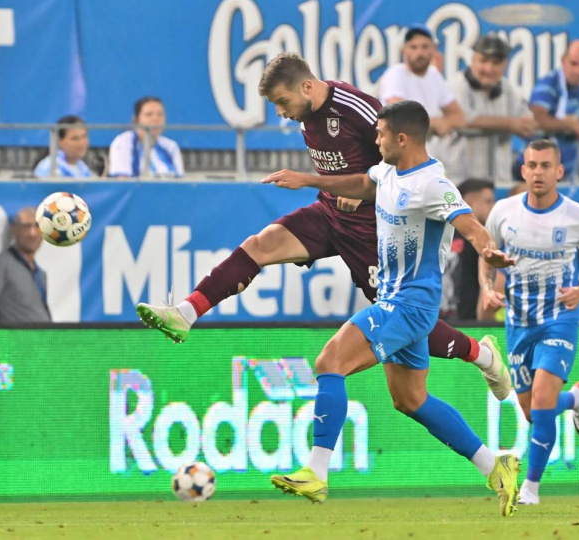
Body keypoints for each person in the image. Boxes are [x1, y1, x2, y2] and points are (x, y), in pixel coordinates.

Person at [136, 53, 511, 398]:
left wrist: (368, 193)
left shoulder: (355, 107)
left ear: (306, 86)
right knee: (261, 243)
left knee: (407, 321)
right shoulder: (305, 116)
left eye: (282, 102)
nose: (281, 112)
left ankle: (481, 354)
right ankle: (186, 313)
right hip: (329, 215)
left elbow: (404, 160)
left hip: (373, 231)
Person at [264, 100, 521, 516]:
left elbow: (470, 225)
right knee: (411, 400)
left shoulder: (433, 185)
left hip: (410, 304)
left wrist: (488, 251)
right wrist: (307, 180)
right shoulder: (385, 172)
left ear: (402, 138)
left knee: (330, 362)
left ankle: (316, 471)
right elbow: (360, 184)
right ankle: (495, 466)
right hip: (394, 300)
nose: (375, 139)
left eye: (380, 134)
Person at [480, 139, 579, 505]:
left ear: (559, 171)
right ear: (523, 170)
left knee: (542, 402)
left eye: (545, 166)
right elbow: (486, 254)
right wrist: (487, 288)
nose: (538, 172)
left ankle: (531, 489)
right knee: (532, 412)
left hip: (560, 318)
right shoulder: (503, 212)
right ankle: (575, 399)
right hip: (518, 321)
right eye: (532, 165)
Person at [379, 24, 465, 177]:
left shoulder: (434, 75)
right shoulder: (396, 74)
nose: (419, 52)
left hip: (428, 158)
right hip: (399, 158)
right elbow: (398, 115)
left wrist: (439, 123)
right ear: (404, 51)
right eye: (413, 47)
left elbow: (459, 118)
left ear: (433, 50)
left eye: (425, 47)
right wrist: (436, 123)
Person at [451, 35, 536, 183]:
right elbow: (462, 118)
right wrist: (509, 124)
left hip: (498, 180)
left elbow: (527, 121)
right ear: (473, 60)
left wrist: (525, 124)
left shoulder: (507, 87)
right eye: (483, 61)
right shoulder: (458, 84)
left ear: (505, 65)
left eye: (496, 63)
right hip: (459, 182)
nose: (489, 68)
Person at [521, 40, 579, 182]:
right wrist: (571, 125)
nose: (578, 71)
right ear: (563, 60)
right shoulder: (549, 84)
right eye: (573, 64)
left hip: (566, 172)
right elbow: (537, 118)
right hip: (538, 173)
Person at [0, 207, 51, 323]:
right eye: (26, 226)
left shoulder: (40, 274)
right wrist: (0, 335)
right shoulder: (0, 264)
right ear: (14, 229)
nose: (32, 233)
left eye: (37, 227)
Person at [449, 178, 504, 321]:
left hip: (470, 322)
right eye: (488, 201)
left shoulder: (487, 240)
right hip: (452, 319)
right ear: (468, 203)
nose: (493, 206)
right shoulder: (481, 242)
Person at [109, 96, 184, 178]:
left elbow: (180, 179)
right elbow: (122, 180)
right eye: (149, 114)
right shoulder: (123, 142)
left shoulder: (171, 146)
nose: (155, 119)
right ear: (136, 119)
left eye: (160, 114)